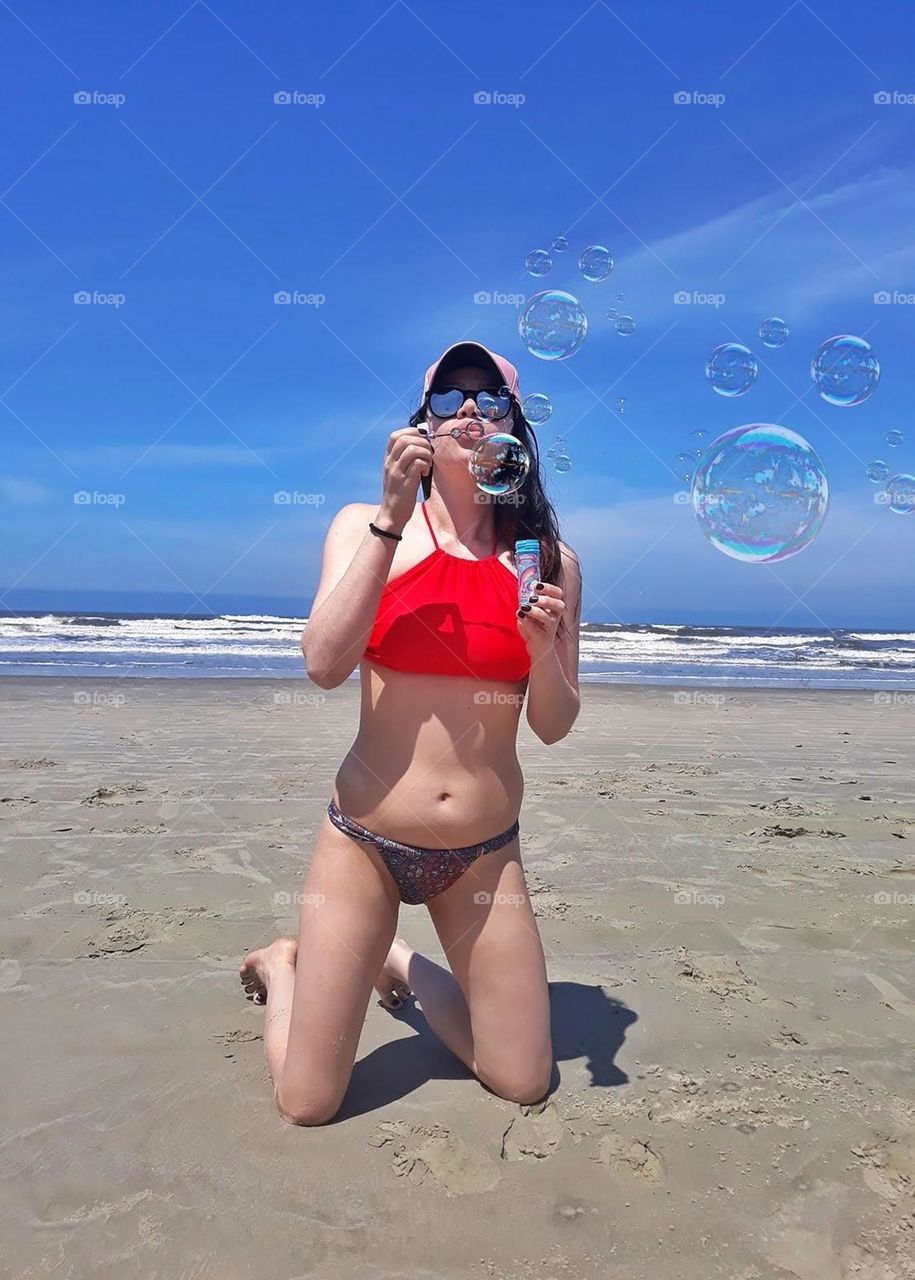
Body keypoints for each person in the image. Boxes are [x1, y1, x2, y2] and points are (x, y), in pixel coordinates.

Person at [240, 340, 582, 1125]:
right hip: (364, 842)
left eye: (490, 397)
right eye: (449, 396)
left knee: (523, 1079)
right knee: (308, 1103)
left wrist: (542, 657)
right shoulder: (365, 524)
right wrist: (392, 520)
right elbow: (324, 664)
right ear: (421, 423)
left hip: (482, 858)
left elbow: (555, 726)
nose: (469, 408)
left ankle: (391, 958)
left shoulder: (549, 563)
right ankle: (281, 963)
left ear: (514, 426)